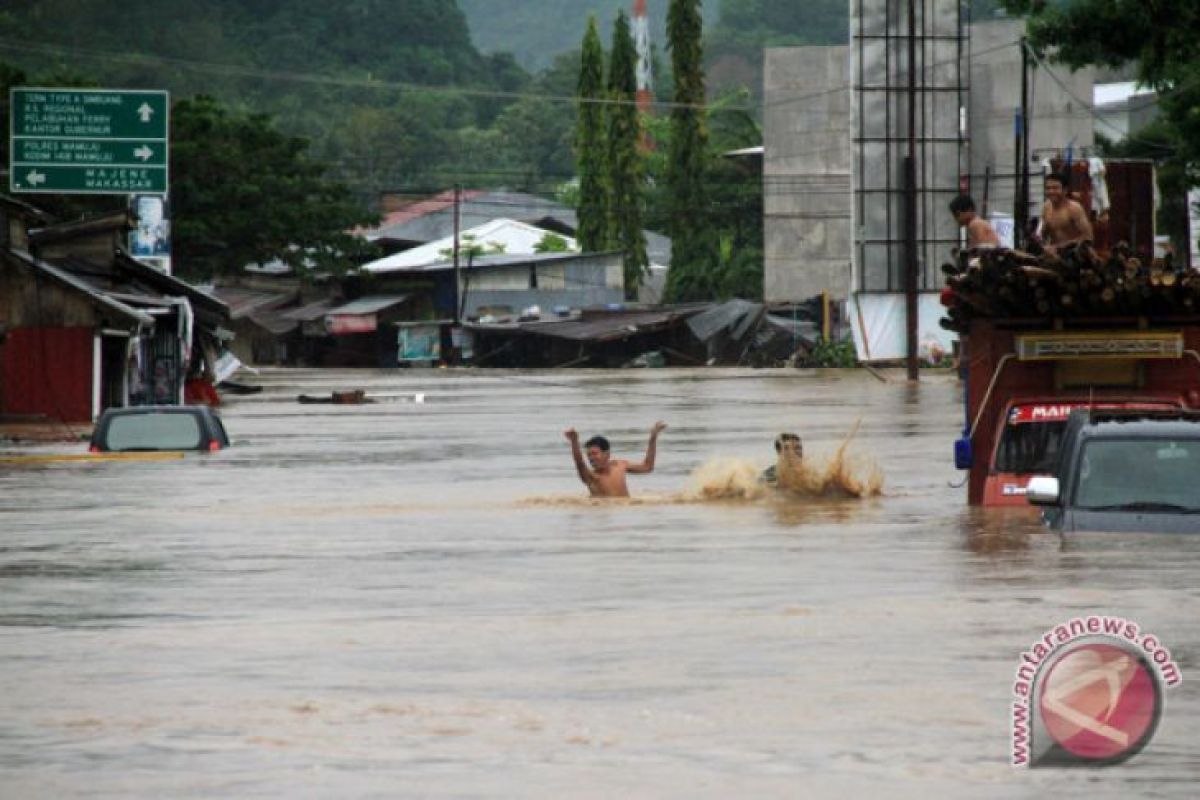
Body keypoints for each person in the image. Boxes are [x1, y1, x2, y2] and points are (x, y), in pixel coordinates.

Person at [564, 422, 667, 497]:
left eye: (595, 454)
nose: (591, 458)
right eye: (589, 455)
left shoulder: (620, 465)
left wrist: (653, 438)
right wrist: (574, 441)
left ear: (607, 454)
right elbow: (580, 463)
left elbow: (647, 467)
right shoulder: (592, 477)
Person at [1037, 172, 1094, 254]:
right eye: (1048, 188)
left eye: (1055, 188)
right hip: (1054, 255)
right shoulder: (1046, 207)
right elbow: (1042, 234)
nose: (1051, 191)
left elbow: (1088, 237)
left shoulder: (1074, 208)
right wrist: (1039, 236)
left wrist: (1060, 247)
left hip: (1074, 255)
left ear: (1065, 190)